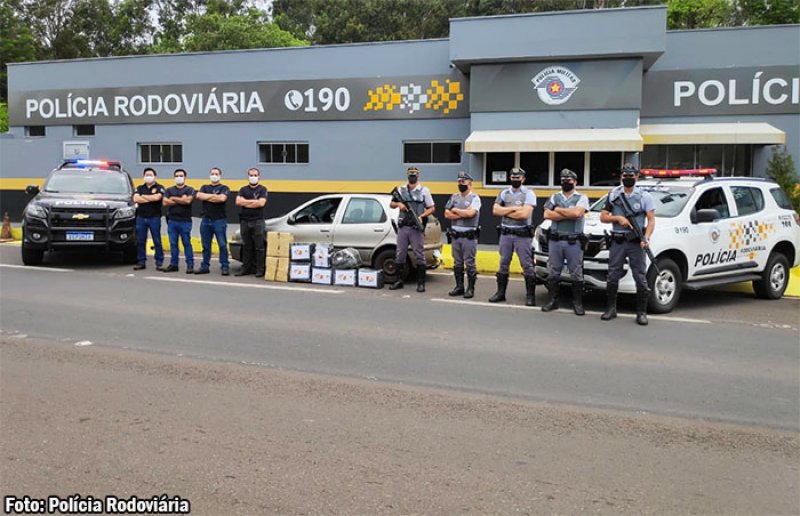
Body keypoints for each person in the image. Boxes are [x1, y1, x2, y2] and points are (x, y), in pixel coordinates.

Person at [600, 164, 656, 325]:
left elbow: (651, 220)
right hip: (618, 241)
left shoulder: (644, 196)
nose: (628, 178)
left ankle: (641, 312)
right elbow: (603, 217)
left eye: (631, 175)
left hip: (635, 242)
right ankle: (611, 309)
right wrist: (617, 218)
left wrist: (646, 237)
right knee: (613, 275)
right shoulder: (614, 194)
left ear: (637, 177)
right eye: (625, 175)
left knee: (640, 276)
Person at [541, 169, 591, 315]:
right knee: (553, 271)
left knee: (576, 273)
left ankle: (577, 303)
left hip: (573, 241)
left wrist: (557, 210)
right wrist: (566, 213)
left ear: (575, 182)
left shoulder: (581, 197)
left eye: (569, 180)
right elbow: (546, 214)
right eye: (563, 180)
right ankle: (553, 301)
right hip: (555, 240)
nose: (565, 182)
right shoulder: (554, 196)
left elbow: (577, 214)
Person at [489, 167, 537, 306]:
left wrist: (504, 211)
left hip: (522, 234)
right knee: (503, 263)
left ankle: (530, 296)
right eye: (513, 177)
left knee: (527, 265)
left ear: (523, 179)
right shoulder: (504, 192)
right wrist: (513, 209)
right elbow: (495, 210)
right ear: (510, 178)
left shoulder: (529, 193)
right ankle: (500, 293)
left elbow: (524, 215)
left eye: (518, 177)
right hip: (506, 234)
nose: (515, 179)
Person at [388, 166, 435, 292]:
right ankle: (399, 281)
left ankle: (421, 284)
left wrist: (422, 216)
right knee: (400, 254)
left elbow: (431, 208)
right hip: (403, 226)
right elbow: (391, 204)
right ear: (407, 175)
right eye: (410, 174)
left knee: (419, 255)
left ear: (418, 176)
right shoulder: (400, 189)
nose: (412, 176)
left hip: (416, 227)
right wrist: (399, 204)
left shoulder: (424, 191)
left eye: (414, 174)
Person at [444, 171, 481, 298]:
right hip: (455, 236)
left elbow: (471, 214)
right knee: (457, 262)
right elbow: (446, 214)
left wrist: (455, 210)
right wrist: (463, 212)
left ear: (470, 183)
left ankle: (470, 289)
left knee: (470, 262)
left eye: (463, 181)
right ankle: (459, 287)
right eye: (459, 181)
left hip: (469, 236)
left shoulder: (475, 198)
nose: (461, 184)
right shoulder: (454, 197)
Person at [195, 167, 230, 276]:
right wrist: (215, 197)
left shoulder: (224, 188)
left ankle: (225, 266)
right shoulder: (204, 187)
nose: (214, 175)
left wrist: (207, 197)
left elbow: (222, 199)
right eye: (212, 173)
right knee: (206, 245)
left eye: (216, 173)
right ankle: (205, 266)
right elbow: (199, 195)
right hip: (206, 220)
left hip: (219, 221)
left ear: (220, 175)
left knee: (222, 245)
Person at [235, 167, 268, 278]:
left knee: (259, 246)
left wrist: (246, 202)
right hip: (245, 221)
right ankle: (246, 268)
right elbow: (238, 202)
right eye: (251, 175)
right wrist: (254, 202)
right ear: (248, 176)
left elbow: (261, 204)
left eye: (255, 175)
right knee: (246, 246)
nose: (253, 177)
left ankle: (260, 269)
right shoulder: (243, 189)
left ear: (259, 176)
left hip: (258, 221)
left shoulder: (263, 189)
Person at [162, 169, 196, 273]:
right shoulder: (169, 190)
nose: (179, 177)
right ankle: (173, 264)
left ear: (185, 177)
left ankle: (190, 265)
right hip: (172, 221)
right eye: (177, 176)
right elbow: (165, 202)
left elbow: (187, 201)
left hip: (185, 221)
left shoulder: (190, 189)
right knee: (173, 244)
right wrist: (180, 199)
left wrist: (173, 199)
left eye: (181, 175)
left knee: (186, 243)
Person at [132, 167, 165, 271]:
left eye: (150, 175)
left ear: (155, 177)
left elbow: (157, 198)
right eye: (146, 175)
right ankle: (141, 262)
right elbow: (135, 198)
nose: (148, 177)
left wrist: (143, 197)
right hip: (141, 218)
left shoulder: (159, 187)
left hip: (154, 218)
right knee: (141, 241)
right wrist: (150, 197)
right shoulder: (139, 187)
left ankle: (159, 262)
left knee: (157, 240)